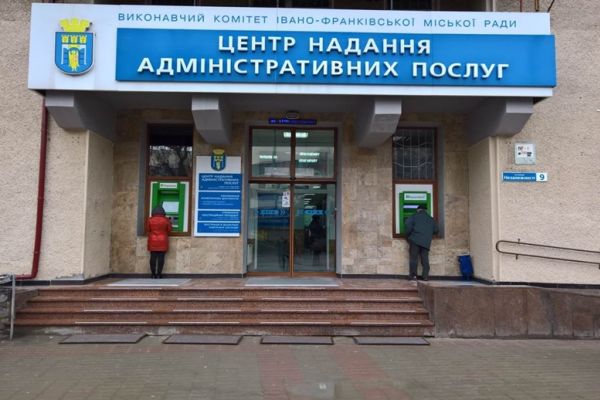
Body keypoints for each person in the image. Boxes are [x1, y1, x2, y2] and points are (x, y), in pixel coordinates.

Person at [405, 204, 438, 281]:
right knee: (425, 259)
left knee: (414, 258)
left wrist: (408, 237)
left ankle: (413, 276)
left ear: (418, 210)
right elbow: (436, 230)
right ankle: (425, 276)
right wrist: (427, 234)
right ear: (426, 210)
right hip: (426, 242)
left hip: (415, 240)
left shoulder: (413, 216)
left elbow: (408, 227)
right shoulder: (431, 219)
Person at [146, 205, 172, 279]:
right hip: (163, 240)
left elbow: (148, 229)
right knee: (161, 257)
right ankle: (159, 274)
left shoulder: (150, 220)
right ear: (163, 212)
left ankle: (153, 274)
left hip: (152, 240)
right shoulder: (166, 220)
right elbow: (169, 229)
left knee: (153, 257)